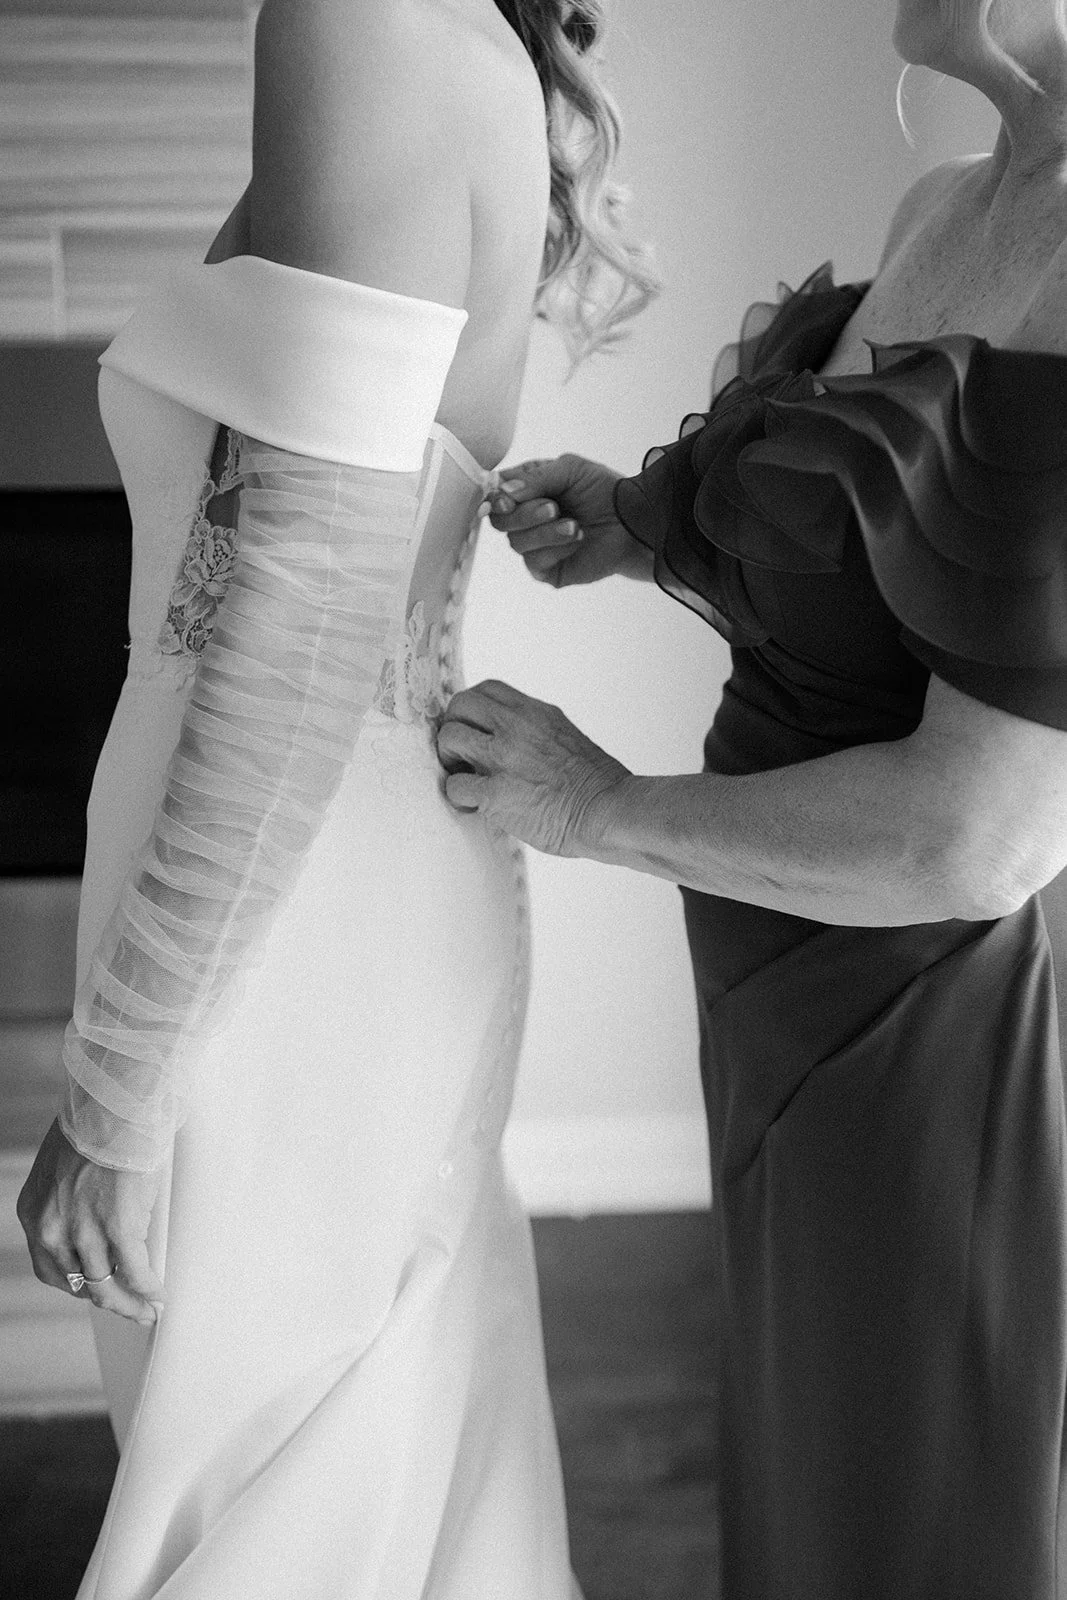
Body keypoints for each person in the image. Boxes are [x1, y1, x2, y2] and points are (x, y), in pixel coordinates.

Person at [15, 2, 655, 1595]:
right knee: (368, 1473)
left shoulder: (357, 19)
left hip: (282, 916)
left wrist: (123, 1073)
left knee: (267, 1509)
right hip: (345, 874)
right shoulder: (453, 50)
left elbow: (295, 619)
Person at [439, 1, 1067, 1595]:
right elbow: (876, 572)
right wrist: (654, 532)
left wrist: (591, 807)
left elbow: (969, 836)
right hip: (780, 972)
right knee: (816, 1458)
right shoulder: (955, 204)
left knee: (923, 1488)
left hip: (929, 1010)